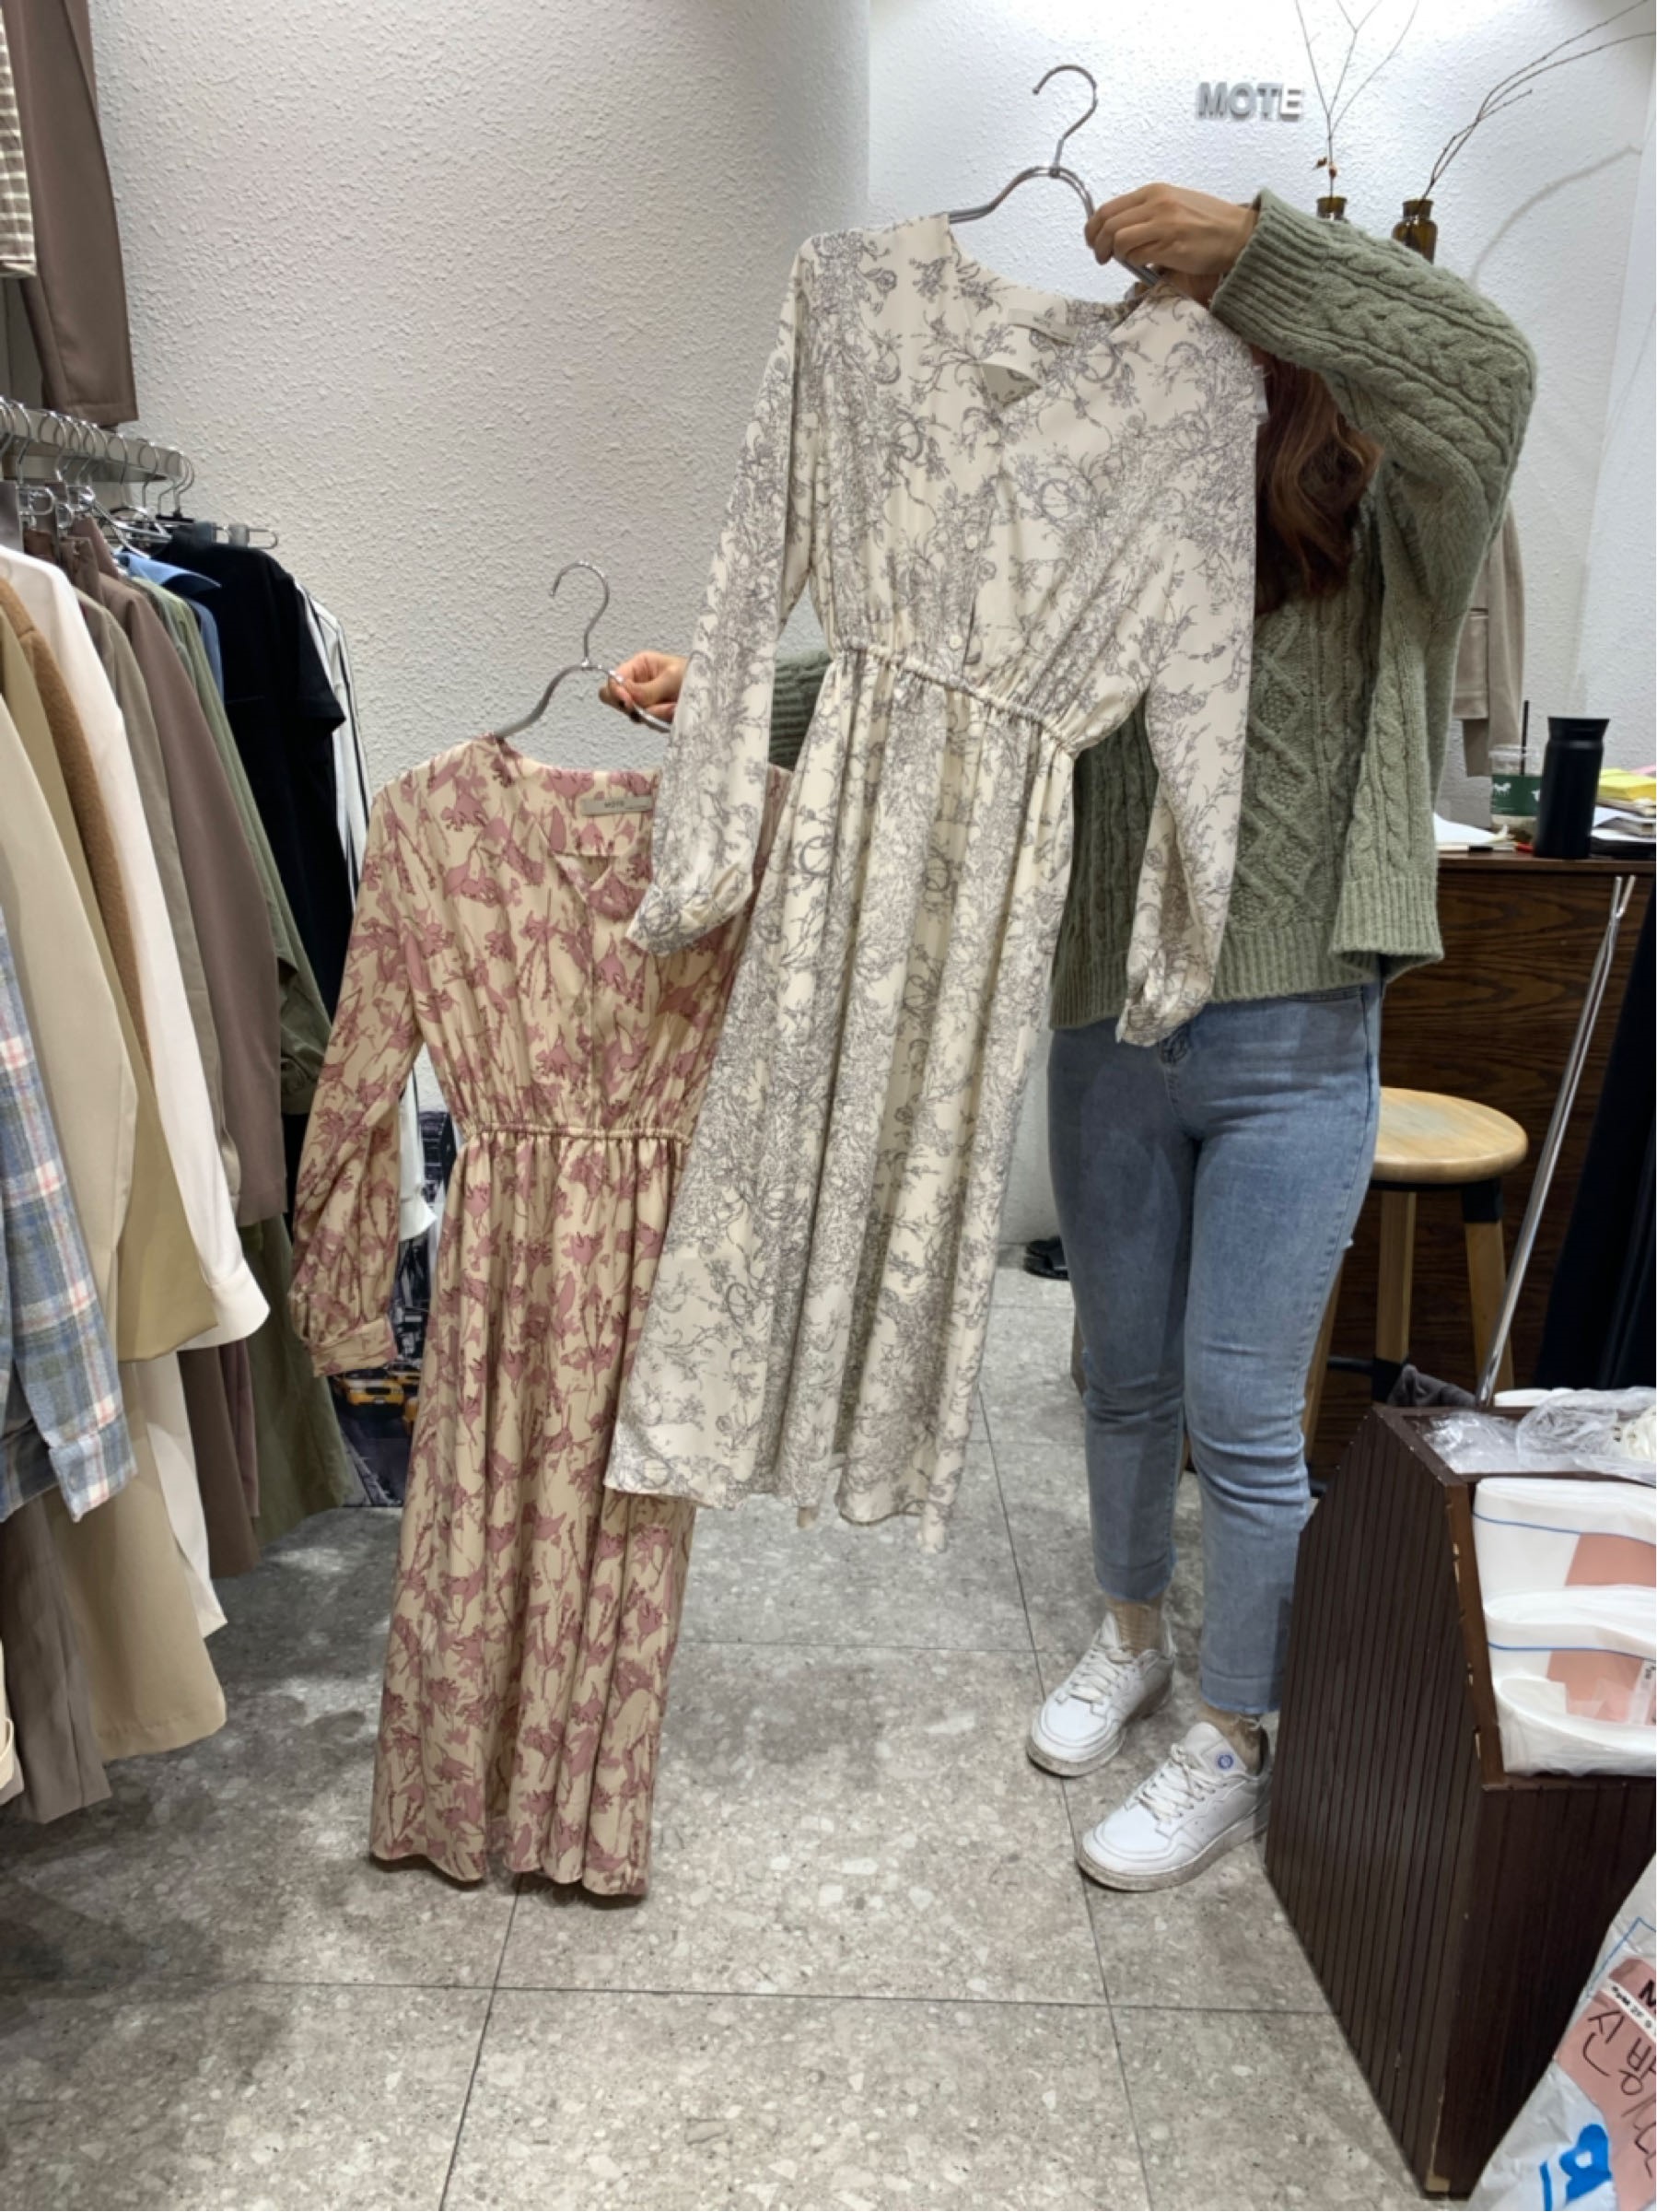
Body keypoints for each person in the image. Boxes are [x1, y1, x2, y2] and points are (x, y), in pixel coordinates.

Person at [603, 183, 1534, 1893]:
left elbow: (1486, 368)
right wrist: (727, 701)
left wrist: (1254, 244)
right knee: (1120, 1374)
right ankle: (1133, 1636)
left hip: (1296, 1030)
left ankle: (1239, 1731)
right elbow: (960, 678)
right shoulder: (1108, 491)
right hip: (1109, 1017)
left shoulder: (1392, 518)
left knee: (1242, 1413)